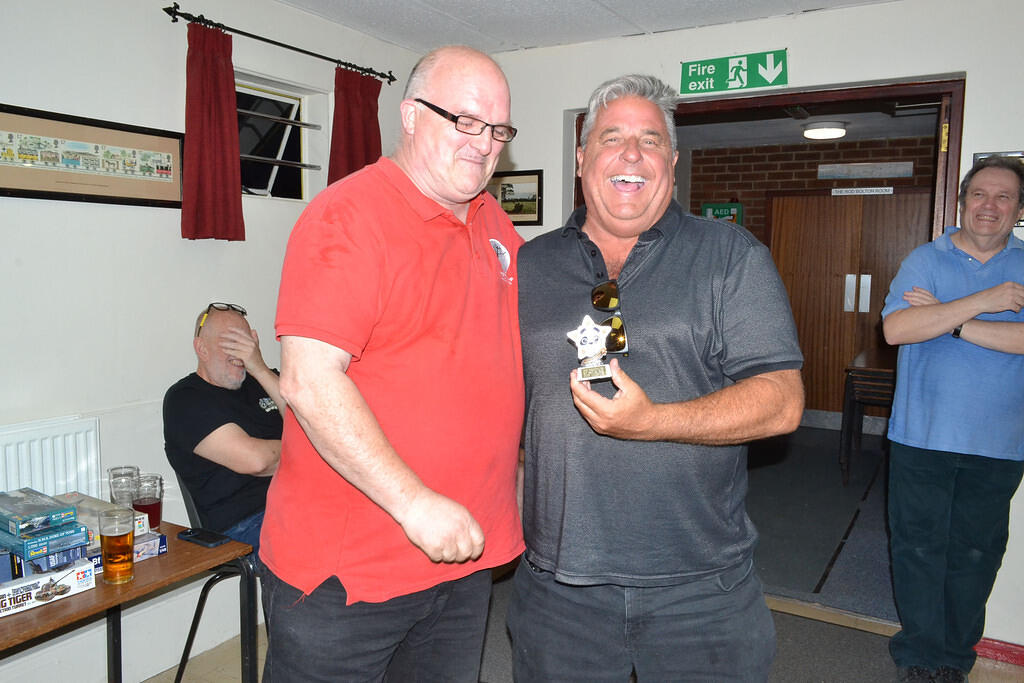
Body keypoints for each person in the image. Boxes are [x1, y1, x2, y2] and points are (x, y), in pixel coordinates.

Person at [510, 74, 805, 682]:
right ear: (582, 156)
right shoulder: (527, 265)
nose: (631, 153)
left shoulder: (729, 255)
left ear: (671, 161)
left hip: (701, 590)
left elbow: (781, 403)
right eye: (612, 136)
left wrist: (653, 422)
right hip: (558, 589)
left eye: (650, 140)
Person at [259, 45, 525, 682]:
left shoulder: (494, 223)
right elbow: (309, 379)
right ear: (409, 115)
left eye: (497, 129)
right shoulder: (348, 216)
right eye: (462, 120)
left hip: (462, 559)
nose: (482, 142)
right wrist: (415, 504)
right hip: (351, 572)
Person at [881, 155, 1024, 683]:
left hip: (1001, 443)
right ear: (961, 201)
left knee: (976, 555)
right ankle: (918, 658)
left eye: (1003, 197)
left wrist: (951, 320)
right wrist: (988, 301)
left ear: (1019, 209)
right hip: (922, 437)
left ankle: (954, 661)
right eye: (980, 194)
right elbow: (898, 330)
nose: (990, 206)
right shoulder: (925, 258)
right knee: (917, 550)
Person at [163, 302, 282, 549]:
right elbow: (256, 461)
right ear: (202, 349)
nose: (241, 354)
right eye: (231, 343)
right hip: (245, 523)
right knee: (335, 548)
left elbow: (312, 423)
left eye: (247, 343)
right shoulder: (185, 398)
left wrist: (259, 368)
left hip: (301, 503)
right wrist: (311, 450)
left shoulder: (265, 379)